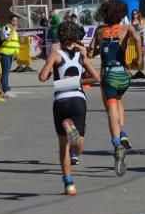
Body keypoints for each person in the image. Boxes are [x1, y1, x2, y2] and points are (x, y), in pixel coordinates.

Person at [38, 21, 100, 196]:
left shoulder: (55, 55)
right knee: (78, 144)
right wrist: (77, 81)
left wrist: (54, 75)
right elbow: (96, 78)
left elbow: (42, 77)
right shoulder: (81, 56)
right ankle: (76, 145)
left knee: (62, 145)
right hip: (78, 99)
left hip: (61, 100)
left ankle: (69, 184)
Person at [88, 0, 143, 176]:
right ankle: (124, 132)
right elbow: (137, 37)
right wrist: (139, 59)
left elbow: (90, 53)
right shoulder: (126, 29)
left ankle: (117, 142)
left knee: (111, 108)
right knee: (119, 102)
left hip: (109, 75)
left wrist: (89, 51)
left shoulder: (99, 31)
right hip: (124, 75)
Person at [0, 14, 20, 98]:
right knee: (5, 73)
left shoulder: (13, 30)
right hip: (5, 53)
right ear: (10, 21)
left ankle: (6, 89)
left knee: (7, 73)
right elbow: (8, 38)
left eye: (16, 21)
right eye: (13, 21)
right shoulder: (6, 28)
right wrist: (13, 30)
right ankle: (5, 91)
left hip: (10, 54)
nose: (15, 23)